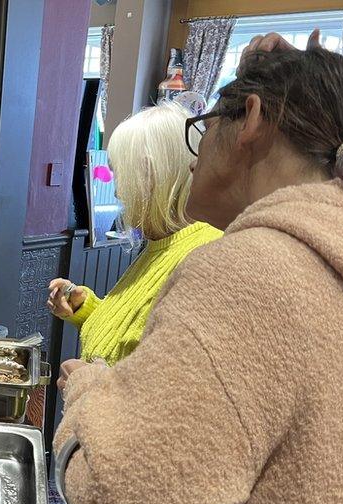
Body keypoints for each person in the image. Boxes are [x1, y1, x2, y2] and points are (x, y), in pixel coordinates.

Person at [53, 33, 343, 504]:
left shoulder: (248, 271)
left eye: (203, 126)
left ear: (253, 119)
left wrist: (88, 390)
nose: (193, 156)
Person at [47, 102, 221, 366]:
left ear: (149, 175)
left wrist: (91, 383)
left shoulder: (202, 259)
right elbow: (131, 337)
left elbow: (162, 382)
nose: (118, 193)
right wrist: (86, 309)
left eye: (121, 176)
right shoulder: (161, 244)